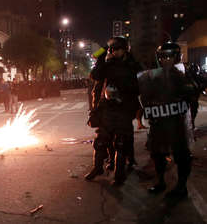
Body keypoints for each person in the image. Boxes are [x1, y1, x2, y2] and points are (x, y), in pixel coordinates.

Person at [140, 42, 196, 198]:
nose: (167, 60)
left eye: (170, 56)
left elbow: (192, 96)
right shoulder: (152, 76)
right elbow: (144, 94)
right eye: (163, 56)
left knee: (181, 156)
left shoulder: (183, 74)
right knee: (157, 154)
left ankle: (181, 187)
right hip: (158, 122)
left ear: (177, 57)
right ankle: (160, 182)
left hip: (177, 123)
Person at [84, 37, 140, 186]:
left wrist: (125, 93)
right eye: (112, 49)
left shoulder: (133, 65)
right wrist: (101, 56)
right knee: (101, 141)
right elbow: (95, 75)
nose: (115, 52)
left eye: (118, 49)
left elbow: (140, 85)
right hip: (108, 108)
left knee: (121, 143)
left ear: (125, 49)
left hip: (124, 108)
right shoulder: (109, 64)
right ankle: (97, 168)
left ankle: (119, 174)